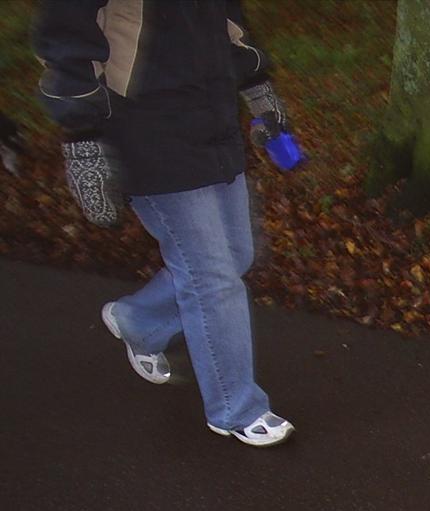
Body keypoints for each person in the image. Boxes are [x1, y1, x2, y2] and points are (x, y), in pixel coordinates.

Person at [34, 0, 295, 446]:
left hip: (212, 121)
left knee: (236, 256)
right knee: (212, 277)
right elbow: (65, 42)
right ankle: (236, 409)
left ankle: (138, 321)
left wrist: (259, 92)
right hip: (144, 127)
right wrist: (82, 140)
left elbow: (232, 25)